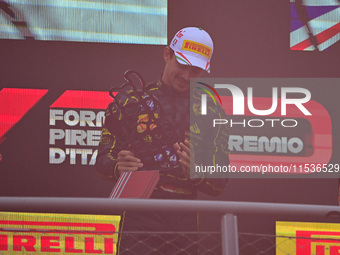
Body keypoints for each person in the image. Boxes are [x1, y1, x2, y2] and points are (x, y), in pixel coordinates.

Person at [96, 27, 230, 254]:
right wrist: (118, 167)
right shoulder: (131, 102)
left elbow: (220, 180)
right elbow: (102, 160)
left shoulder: (213, 111)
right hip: (139, 211)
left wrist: (198, 171)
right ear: (167, 54)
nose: (187, 76)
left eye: (196, 70)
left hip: (184, 218)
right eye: (182, 65)